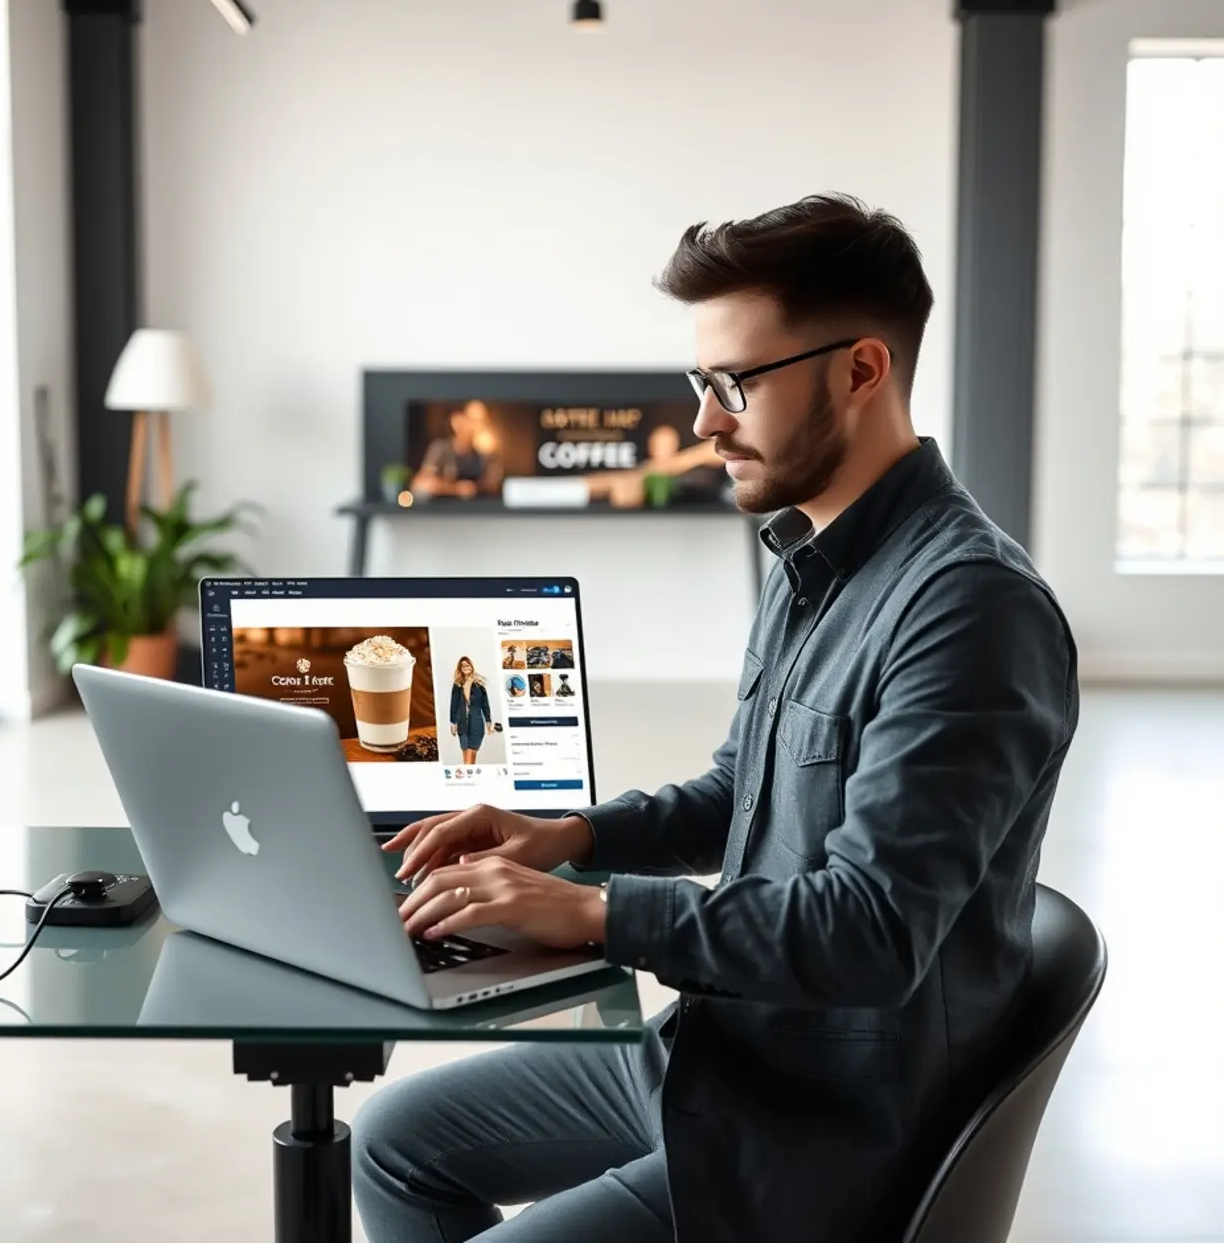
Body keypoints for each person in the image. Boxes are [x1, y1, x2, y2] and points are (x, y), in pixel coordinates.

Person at [355, 195, 1078, 1243]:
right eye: (701, 382)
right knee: (390, 1143)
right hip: (720, 1043)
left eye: (736, 382)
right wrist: (571, 838)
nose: (703, 421)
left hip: (813, 1130)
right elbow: (739, 791)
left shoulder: (970, 608)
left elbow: (870, 934)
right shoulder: (810, 562)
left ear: (860, 370)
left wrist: (597, 913)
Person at [413, 407, 503, 500]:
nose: (476, 425)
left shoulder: (482, 454)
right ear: (456, 421)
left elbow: (492, 485)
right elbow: (421, 484)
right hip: (443, 509)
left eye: (480, 420)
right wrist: (456, 489)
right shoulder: (440, 449)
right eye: (471, 420)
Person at [449, 657, 495, 766]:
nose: (466, 667)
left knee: (473, 754)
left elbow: (485, 705)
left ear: (472, 666)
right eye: (463, 665)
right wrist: (453, 723)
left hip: (477, 724)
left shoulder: (479, 685)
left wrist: (488, 723)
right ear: (460, 669)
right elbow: (453, 705)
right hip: (462, 724)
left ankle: (470, 777)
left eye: (467, 665)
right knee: (466, 753)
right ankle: (468, 776)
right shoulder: (457, 685)